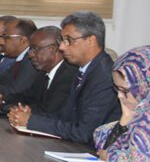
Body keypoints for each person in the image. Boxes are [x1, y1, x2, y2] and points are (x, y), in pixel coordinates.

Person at [8, 11, 121, 145]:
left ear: (91, 41)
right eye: (62, 40)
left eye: (69, 40)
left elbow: (83, 132)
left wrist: (31, 121)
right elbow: (64, 117)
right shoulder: (84, 69)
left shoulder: (105, 76)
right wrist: (30, 116)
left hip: (91, 151)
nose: (61, 47)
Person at [0, 26, 78, 115]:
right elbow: (26, 97)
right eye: (30, 49)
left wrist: (1, 106)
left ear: (52, 49)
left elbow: (46, 112)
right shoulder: (43, 73)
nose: (30, 54)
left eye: (35, 49)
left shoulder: (68, 76)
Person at [93, 46, 150, 162]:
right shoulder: (140, 113)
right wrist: (125, 118)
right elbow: (102, 145)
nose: (119, 96)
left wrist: (111, 157)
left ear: (145, 85)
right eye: (117, 89)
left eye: (124, 91)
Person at [0, 18, 41, 95]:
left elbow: (14, 93)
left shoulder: (31, 61)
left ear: (22, 40)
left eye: (6, 37)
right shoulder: (20, 59)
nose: (3, 42)